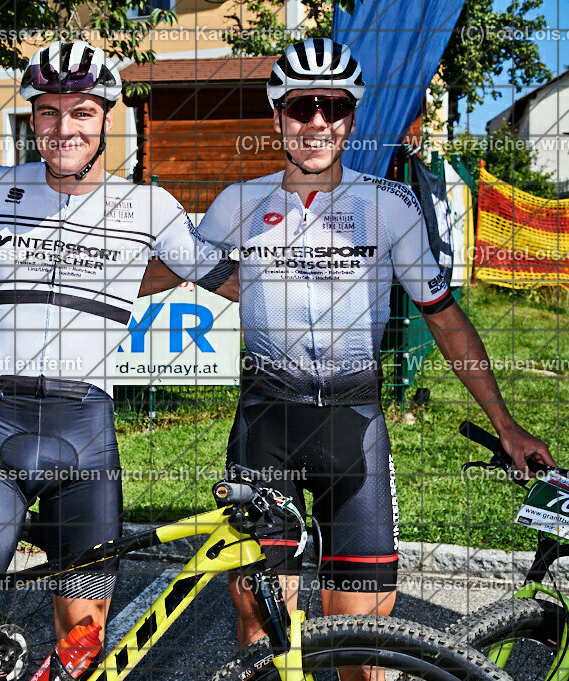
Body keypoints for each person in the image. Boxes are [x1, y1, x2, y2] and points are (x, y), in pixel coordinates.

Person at [0, 40, 238, 678]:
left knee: (81, 645)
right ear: (33, 118)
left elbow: (227, 278)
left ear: (107, 118)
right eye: (48, 111)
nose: (63, 127)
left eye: (81, 111)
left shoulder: (149, 207)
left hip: (86, 439)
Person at [193, 38, 555, 658]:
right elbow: (177, 269)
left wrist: (507, 425)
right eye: (301, 106)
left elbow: (443, 318)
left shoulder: (390, 206)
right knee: (262, 642)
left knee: (361, 650)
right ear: (278, 117)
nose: (317, 122)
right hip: (264, 430)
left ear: (351, 120)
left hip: (353, 430)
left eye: (333, 107)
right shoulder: (238, 203)